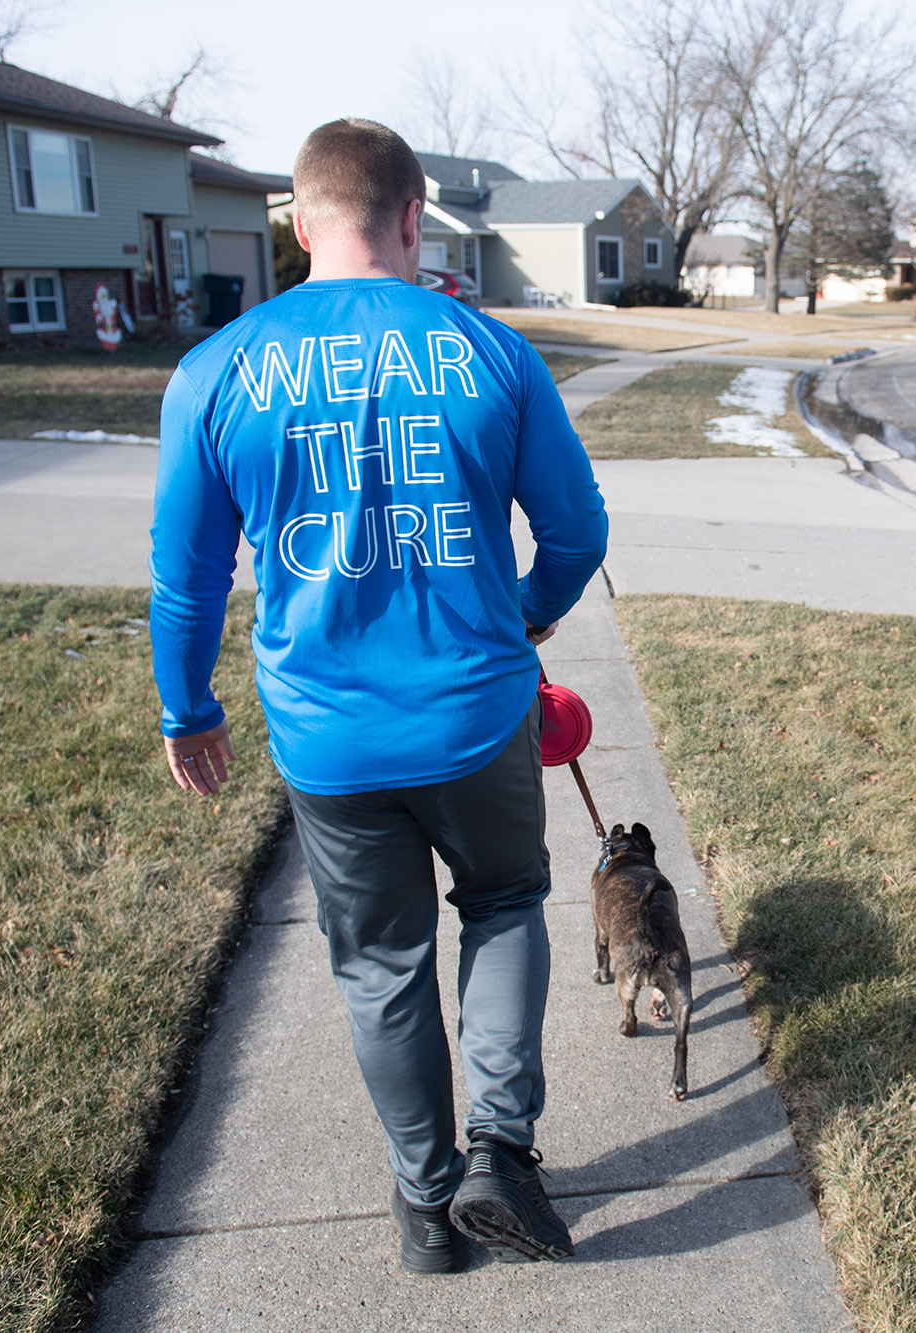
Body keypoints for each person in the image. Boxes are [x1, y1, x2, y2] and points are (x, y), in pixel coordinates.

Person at [148, 118, 607, 1274]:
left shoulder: (216, 369)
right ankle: (500, 1147)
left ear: (299, 225)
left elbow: (186, 573)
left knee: (380, 963)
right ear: (413, 218)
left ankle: (424, 1207)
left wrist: (186, 708)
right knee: (504, 903)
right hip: (474, 711)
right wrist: (524, 611)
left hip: (328, 737)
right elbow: (575, 532)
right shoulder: (489, 351)